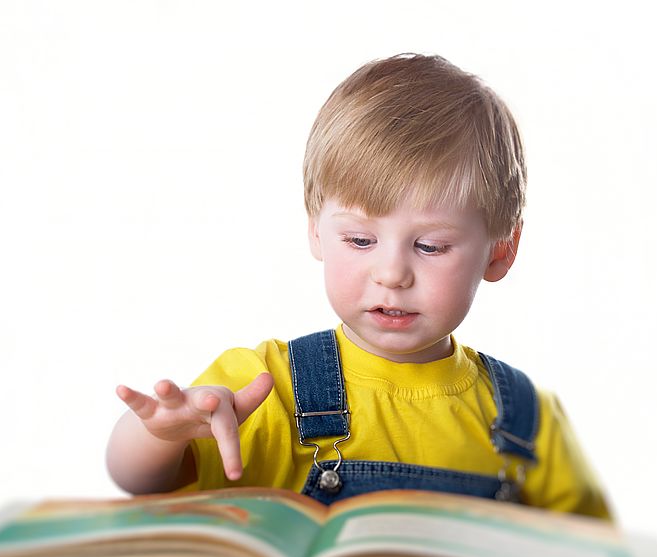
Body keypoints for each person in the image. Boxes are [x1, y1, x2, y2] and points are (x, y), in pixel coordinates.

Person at [106, 53, 611, 519]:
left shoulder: (527, 419)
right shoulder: (264, 386)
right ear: (316, 231)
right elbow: (137, 481)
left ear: (500, 252)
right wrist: (162, 435)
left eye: (431, 246)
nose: (391, 274)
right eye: (361, 239)